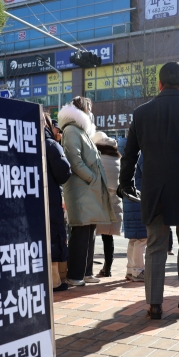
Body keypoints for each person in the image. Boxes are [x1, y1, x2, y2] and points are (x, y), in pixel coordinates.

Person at [119, 61, 179, 320]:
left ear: (159, 84)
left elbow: (129, 155)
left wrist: (125, 183)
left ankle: (154, 305)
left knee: (155, 245)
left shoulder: (141, 113)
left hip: (154, 190)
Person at [59, 97, 116, 287]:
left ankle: (87, 272)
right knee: (81, 231)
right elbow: (74, 160)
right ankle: (75, 274)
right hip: (81, 189)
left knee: (90, 230)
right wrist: (92, 178)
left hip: (87, 190)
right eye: (90, 109)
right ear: (82, 110)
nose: (92, 113)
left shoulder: (81, 131)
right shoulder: (71, 130)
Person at [44, 113, 72, 292]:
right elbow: (64, 172)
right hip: (50, 196)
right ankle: (54, 281)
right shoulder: (50, 144)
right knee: (52, 233)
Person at [93, 131, 123, 277]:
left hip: (99, 198)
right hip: (115, 200)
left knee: (89, 233)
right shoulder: (117, 158)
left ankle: (85, 269)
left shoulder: (97, 157)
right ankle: (108, 268)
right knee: (108, 236)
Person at [123, 154, 147, 281]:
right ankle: (138, 270)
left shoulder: (129, 154)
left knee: (134, 239)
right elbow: (150, 174)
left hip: (130, 199)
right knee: (141, 238)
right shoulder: (143, 154)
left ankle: (130, 269)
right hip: (139, 199)